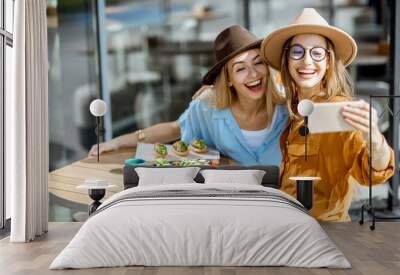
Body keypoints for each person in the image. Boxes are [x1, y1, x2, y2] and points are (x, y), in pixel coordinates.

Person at [261, 8, 394, 221]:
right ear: (287, 60)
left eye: (317, 52)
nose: (306, 61)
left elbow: (371, 174)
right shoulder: (294, 105)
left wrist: (375, 139)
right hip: (288, 226)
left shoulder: (339, 112)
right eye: (297, 51)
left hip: (323, 233)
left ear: (328, 61)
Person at [89, 25, 288, 166]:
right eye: (240, 69)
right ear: (228, 80)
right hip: (229, 204)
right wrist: (117, 141)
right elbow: (173, 129)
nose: (253, 74)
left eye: (258, 62)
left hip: (285, 203)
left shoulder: (289, 107)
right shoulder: (208, 107)